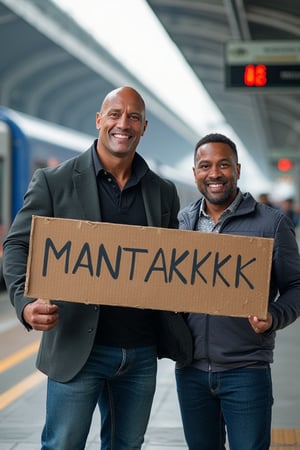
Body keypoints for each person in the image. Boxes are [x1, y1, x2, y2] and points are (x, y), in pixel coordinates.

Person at [3, 86, 192, 450]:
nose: (124, 123)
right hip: (77, 346)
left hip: (140, 351)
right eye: (116, 114)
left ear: (144, 127)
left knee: (127, 446)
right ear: (99, 120)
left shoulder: (162, 191)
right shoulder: (54, 182)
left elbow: (171, 263)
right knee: (63, 444)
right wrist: (25, 303)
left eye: (134, 117)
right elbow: (17, 244)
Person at [175, 133, 300, 450]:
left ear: (238, 170)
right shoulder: (182, 223)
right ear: (195, 173)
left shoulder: (271, 224)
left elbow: (296, 286)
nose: (214, 174)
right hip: (190, 372)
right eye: (205, 166)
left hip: (246, 370)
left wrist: (273, 317)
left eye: (223, 165)